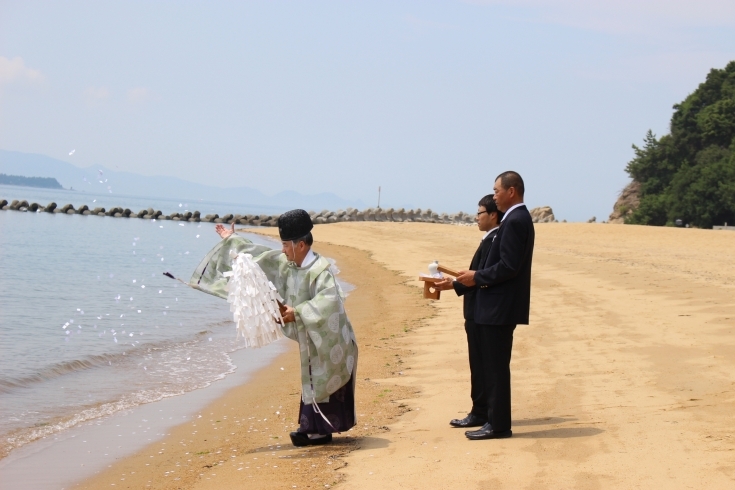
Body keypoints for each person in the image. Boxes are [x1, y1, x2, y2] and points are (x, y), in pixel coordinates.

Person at [192, 209, 358, 447]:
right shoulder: (287, 263)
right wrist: (232, 240)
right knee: (313, 377)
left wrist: (297, 312)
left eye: (285, 245)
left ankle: (318, 431)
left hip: (333, 338)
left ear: (301, 245)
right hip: (313, 337)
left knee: (323, 377)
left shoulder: (321, 270)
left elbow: (330, 301)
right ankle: (313, 429)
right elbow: (257, 257)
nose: (282, 250)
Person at [455, 171, 535, 440]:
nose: (495, 195)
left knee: (496, 368)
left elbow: (509, 267)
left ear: (511, 191)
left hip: (499, 308)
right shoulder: (516, 219)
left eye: (497, 190)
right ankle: (491, 418)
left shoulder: (515, 220)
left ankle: (498, 425)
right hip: (496, 306)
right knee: (490, 366)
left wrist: (476, 276)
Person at [435, 195, 503, 429]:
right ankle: (480, 410)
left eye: (480, 213)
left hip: (481, 312)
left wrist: (454, 284)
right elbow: (476, 276)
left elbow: (481, 276)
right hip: (477, 311)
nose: (476, 217)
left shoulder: (494, 239)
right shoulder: (489, 239)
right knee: (480, 364)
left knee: (482, 364)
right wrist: (453, 283)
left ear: (493, 215)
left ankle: (480, 412)